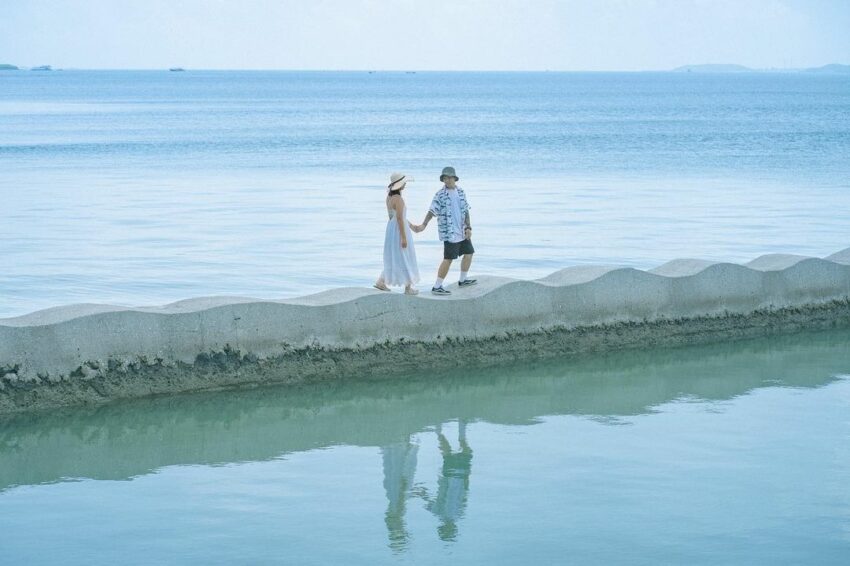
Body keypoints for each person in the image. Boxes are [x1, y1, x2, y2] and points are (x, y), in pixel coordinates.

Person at [412, 166, 476, 295]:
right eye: (444, 178)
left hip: (462, 231)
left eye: (448, 177)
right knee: (448, 259)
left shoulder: (461, 192)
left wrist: (468, 227)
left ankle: (463, 280)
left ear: (454, 178)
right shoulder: (440, 195)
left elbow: (466, 210)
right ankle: (437, 286)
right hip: (449, 233)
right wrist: (423, 225)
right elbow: (432, 210)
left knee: (469, 253)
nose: (446, 180)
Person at [374, 172, 420, 295]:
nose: (405, 184)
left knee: (395, 256)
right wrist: (404, 237)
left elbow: (393, 217)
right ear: (400, 185)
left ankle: (381, 281)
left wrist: (412, 226)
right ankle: (408, 288)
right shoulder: (398, 199)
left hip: (391, 229)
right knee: (405, 255)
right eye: (404, 182)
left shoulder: (389, 198)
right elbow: (399, 218)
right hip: (399, 230)